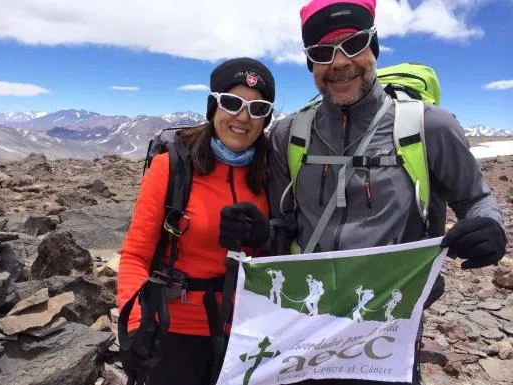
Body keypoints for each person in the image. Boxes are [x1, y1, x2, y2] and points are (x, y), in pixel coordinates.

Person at [257, 0, 506, 383]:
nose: (339, 62)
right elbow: (281, 221)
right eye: (323, 53)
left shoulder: (428, 126)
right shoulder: (290, 135)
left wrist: (490, 227)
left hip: (391, 319)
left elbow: (476, 199)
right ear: (311, 65)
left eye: (353, 44)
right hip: (307, 321)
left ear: (375, 46)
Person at [117, 57, 275, 385]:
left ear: (267, 118)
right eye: (232, 103)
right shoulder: (170, 169)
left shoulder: (274, 173)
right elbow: (136, 256)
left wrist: (268, 237)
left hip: (248, 332)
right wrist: (135, 327)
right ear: (212, 106)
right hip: (176, 329)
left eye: (257, 109)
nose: (243, 118)